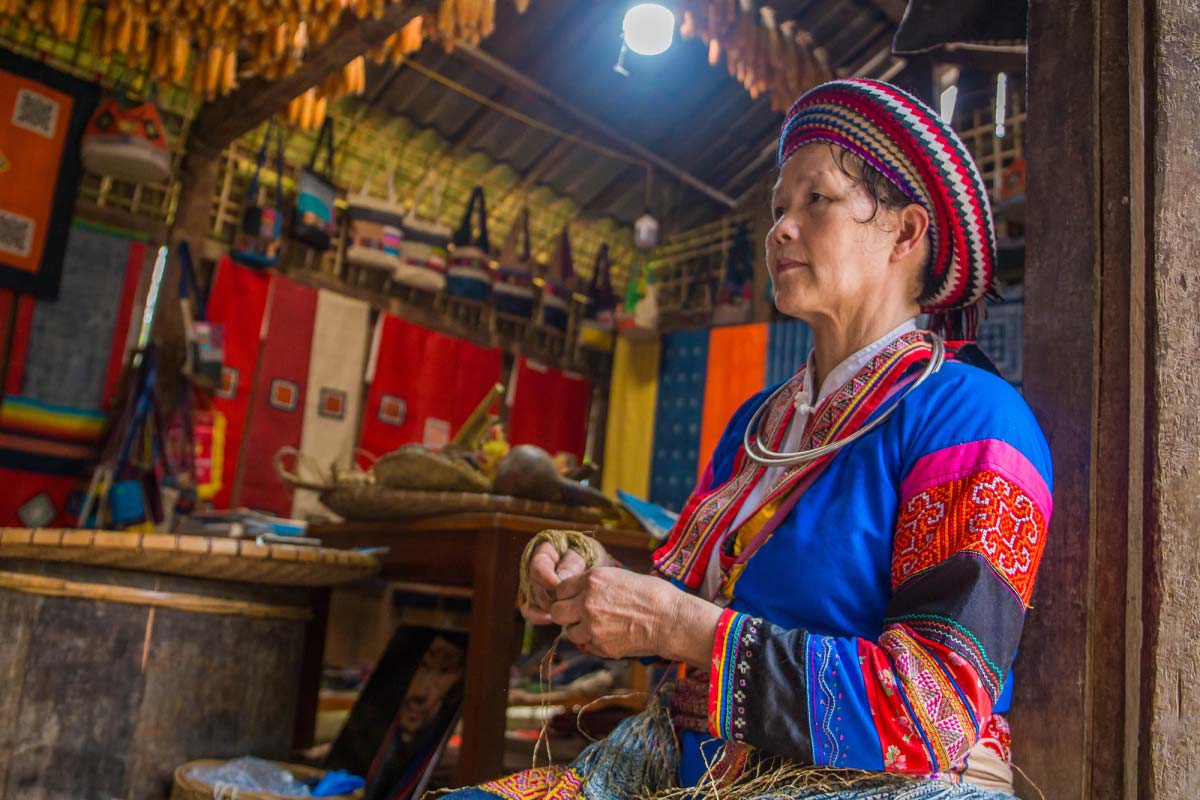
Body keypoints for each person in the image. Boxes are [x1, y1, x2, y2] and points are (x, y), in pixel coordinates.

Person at [461, 78, 1051, 800]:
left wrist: (686, 627)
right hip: (688, 769)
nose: (780, 228)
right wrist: (585, 583)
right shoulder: (760, 426)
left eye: (817, 201)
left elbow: (932, 713)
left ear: (906, 232)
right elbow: (670, 610)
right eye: (777, 208)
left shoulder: (973, 422)